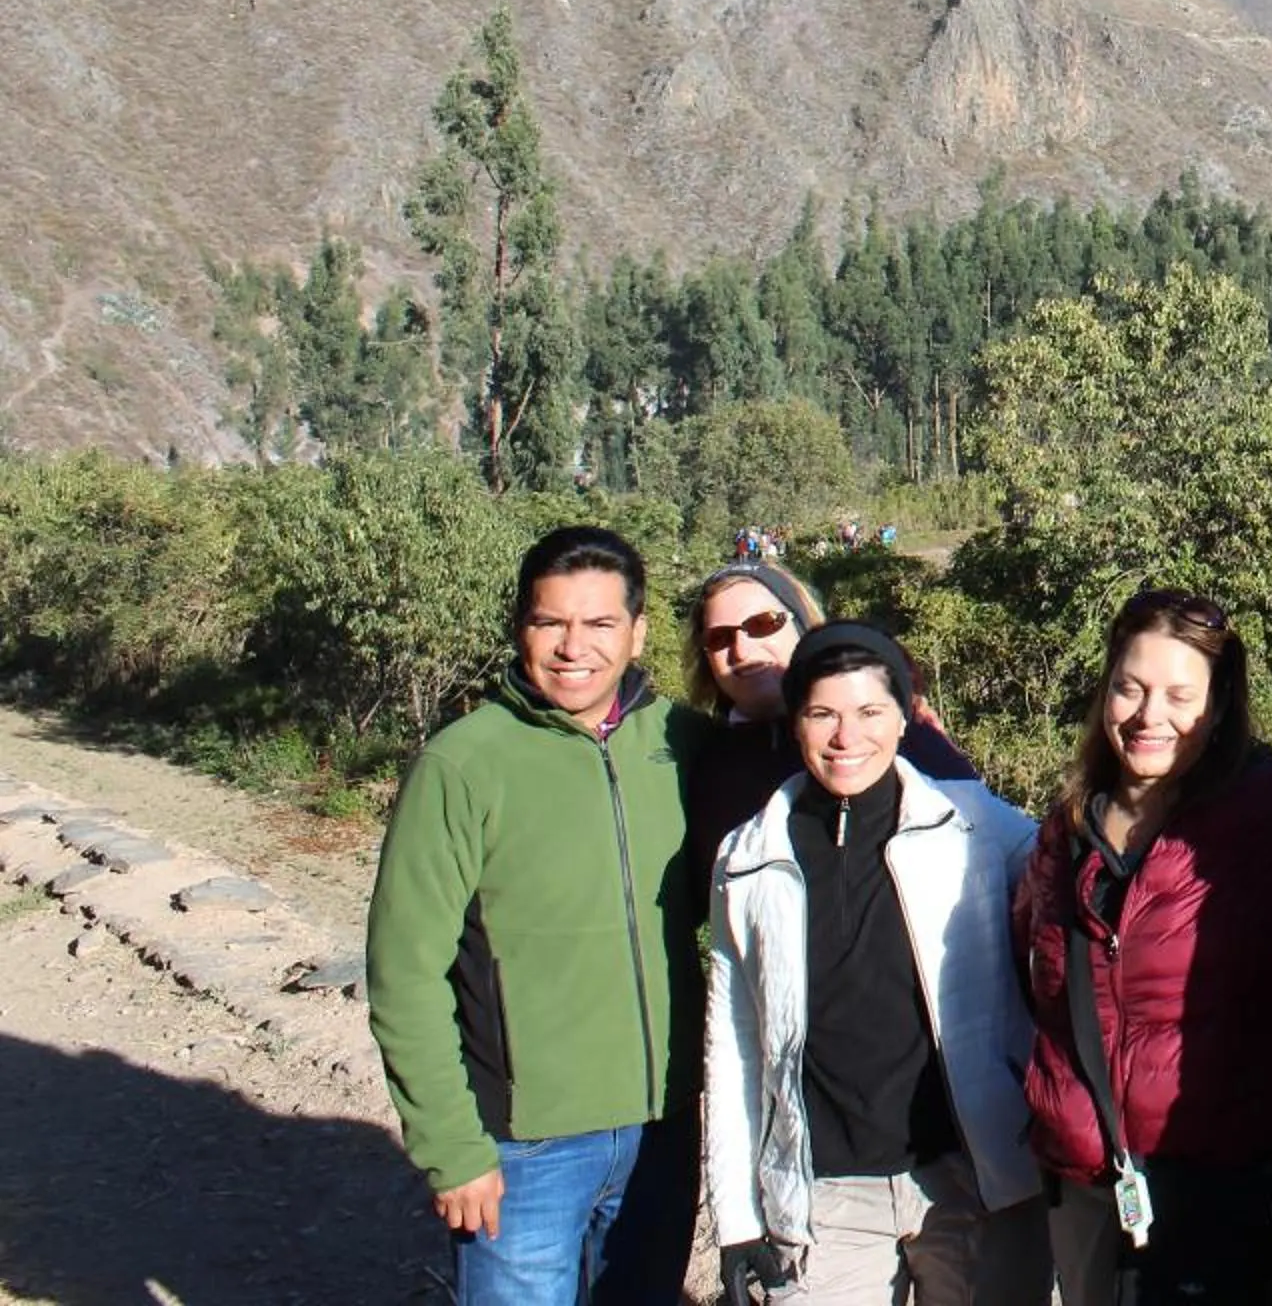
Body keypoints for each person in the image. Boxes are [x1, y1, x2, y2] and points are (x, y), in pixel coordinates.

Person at [365, 525, 704, 1304]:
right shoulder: (463, 764)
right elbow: (404, 972)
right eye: (550, 622)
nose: (572, 646)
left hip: (662, 1129)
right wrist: (451, 1146)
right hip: (525, 1145)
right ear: (522, 627)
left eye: (599, 624)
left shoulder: (681, 742)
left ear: (638, 631)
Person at [1014, 588, 1272, 1306]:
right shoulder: (1066, 829)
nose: (1148, 717)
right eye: (1129, 689)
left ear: (1221, 704)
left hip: (1231, 1186)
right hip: (1090, 1186)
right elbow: (1037, 981)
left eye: (1180, 695)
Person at [705, 621, 1050, 1304]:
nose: (846, 737)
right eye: (822, 713)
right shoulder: (747, 858)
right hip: (825, 1191)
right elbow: (735, 1042)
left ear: (905, 716)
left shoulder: (972, 823)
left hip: (973, 1174)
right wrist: (738, 1221)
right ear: (795, 720)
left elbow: (1074, 878)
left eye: (869, 712)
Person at [681, 561, 979, 899]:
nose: (742, 649)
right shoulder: (704, 764)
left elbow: (985, 832)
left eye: (763, 624)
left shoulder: (896, 731)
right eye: (719, 637)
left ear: (802, 624)